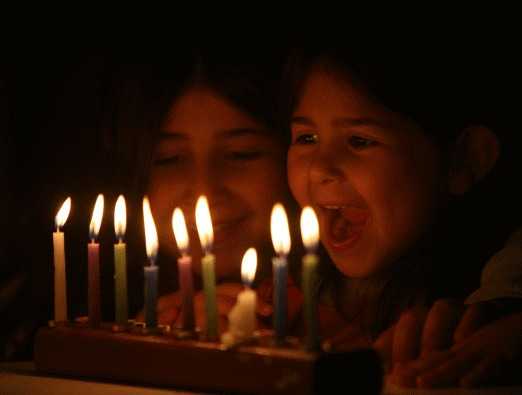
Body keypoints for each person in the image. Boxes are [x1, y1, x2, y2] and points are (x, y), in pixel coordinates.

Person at [280, 44, 522, 387]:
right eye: (307, 137)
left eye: (360, 141)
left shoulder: (500, 282)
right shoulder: (288, 291)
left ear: (463, 160)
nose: (320, 167)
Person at [127, 47, 297, 329]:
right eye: (169, 159)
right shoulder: (129, 312)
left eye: (240, 154)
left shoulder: (340, 323)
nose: (204, 190)